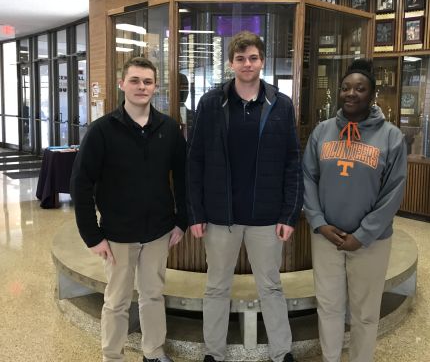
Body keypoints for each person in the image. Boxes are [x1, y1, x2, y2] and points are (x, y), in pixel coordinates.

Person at [186, 31, 303, 362]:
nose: (247, 64)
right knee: (217, 287)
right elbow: (194, 161)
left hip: (267, 218)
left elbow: (293, 162)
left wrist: (289, 214)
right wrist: (195, 214)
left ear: (262, 61)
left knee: (271, 287)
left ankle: (282, 353)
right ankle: (214, 353)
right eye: (240, 59)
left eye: (253, 58)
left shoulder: (280, 105)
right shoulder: (211, 104)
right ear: (230, 63)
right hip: (220, 217)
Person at [70, 57, 186, 362]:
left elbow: (184, 178)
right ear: (122, 84)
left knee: (152, 296)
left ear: (155, 87)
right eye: (134, 80)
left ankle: (154, 352)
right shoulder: (101, 131)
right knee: (117, 301)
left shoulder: (169, 128)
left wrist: (182, 220)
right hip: (117, 235)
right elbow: (81, 184)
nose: (141, 87)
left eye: (147, 81)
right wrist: (92, 236)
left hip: (159, 232)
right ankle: (112, 355)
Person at [302, 59, 407, 362]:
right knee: (329, 307)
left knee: (364, 312)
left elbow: (393, 192)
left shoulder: (391, 138)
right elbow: (308, 177)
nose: (351, 93)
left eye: (360, 89)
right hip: (326, 239)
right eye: (346, 88)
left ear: (372, 94)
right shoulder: (322, 133)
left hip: (371, 243)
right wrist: (319, 223)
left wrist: (363, 235)